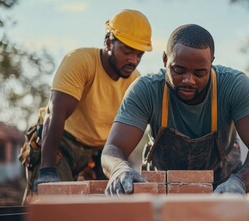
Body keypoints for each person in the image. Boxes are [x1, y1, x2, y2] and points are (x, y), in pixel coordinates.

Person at [101, 24, 249, 195]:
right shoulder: (145, 90)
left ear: (211, 63)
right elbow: (114, 148)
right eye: (179, 70)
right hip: (162, 189)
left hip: (222, 188)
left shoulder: (235, 86)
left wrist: (239, 182)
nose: (189, 80)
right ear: (165, 60)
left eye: (200, 73)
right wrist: (119, 168)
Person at [20, 9, 152, 201]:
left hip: (98, 152)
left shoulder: (135, 81)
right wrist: (48, 170)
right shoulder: (80, 61)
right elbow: (55, 115)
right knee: (53, 206)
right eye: (127, 51)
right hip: (59, 143)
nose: (133, 60)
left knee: (113, 206)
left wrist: (123, 167)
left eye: (139, 54)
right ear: (108, 43)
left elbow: (125, 134)